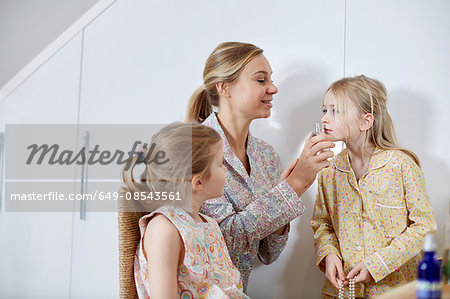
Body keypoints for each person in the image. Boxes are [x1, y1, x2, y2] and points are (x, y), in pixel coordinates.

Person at [186, 41, 335, 291]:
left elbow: (268, 254)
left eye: (271, 79)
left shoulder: (266, 156)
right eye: (260, 80)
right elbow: (224, 241)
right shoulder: (191, 148)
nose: (273, 88)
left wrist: (285, 193)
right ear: (224, 87)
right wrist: (293, 185)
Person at [311, 75, 437, 298]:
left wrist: (378, 264)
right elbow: (322, 223)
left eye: (335, 111)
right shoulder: (328, 170)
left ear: (365, 121)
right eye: (324, 111)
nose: (325, 119)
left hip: (393, 291)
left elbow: (424, 226)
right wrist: (329, 254)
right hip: (341, 292)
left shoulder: (401, 165)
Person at [122, 122, 249, 298]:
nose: (225, 169)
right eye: (220, 164)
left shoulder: (209, 224)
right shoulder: (164, 229)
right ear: (198, 182)